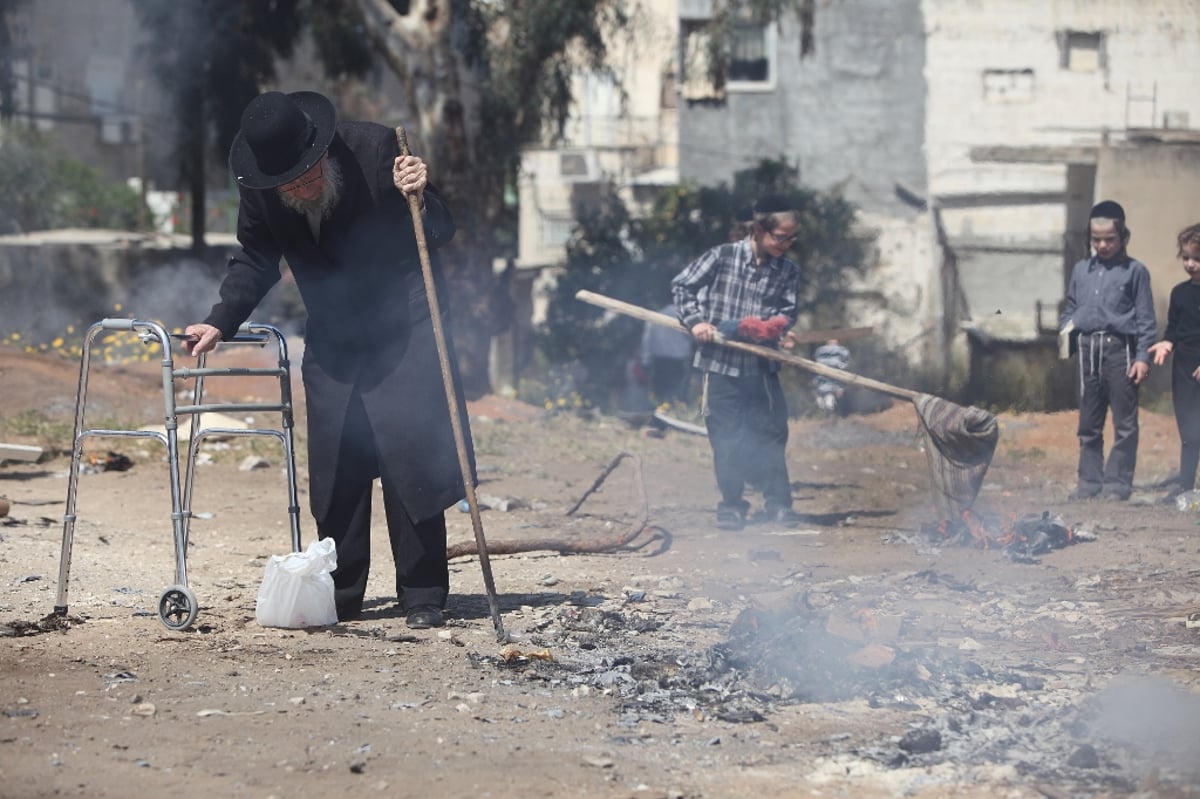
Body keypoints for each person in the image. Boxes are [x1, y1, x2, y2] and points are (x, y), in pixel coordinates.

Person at [183, 90, 472, 629]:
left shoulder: (376, 148)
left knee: (408, 457)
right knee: (337, 465)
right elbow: (255, 258)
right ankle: (340, 595)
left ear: (322, 152)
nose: (301, 186)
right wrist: (221, 318)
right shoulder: (264, 187)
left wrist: (420, 193)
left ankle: (423, 594)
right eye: (288, 182)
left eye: (308, 174)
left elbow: (439, 228)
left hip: (403, 326)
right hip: (335, 336)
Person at [671, 194, 803, 531]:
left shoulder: (787, 270)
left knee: (771, 435)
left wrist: (775, 326)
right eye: (780, 237)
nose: (786, 244)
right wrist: (696, 322)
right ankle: (731, 504)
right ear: (759, 230)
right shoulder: (721, 257)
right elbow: (682, 286)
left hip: (761, 370)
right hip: (721, 366)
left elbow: (786, 312)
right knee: (726, 439)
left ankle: (778, 504)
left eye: (792, 238)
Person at [1059, 200, 1156, 502]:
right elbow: (1072, 308)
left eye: (1109, 239)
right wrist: (1066, 331)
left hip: (1120, 351)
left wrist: (1142, 357)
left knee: (1125, 423)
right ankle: (1089, 483)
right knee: (1089, 422)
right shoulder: (1080, 270)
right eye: (1096, 239)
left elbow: (1146, 319)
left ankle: (1117, 485)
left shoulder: (1136, 271)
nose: (1102, 245)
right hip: (1088, 350)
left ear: (1123, 236)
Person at [1148, 223, 1200, 503]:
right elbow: (1174, 327)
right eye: (1186, 257)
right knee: (1189, 429)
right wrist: (1167, 342)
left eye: (1197, 258)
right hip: (1184, 368)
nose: (1190, 264)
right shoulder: (1179, 293)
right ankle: (1186, 487)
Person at [640, 301, 694, 404]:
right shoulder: (685, 318)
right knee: (678, 396)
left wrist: (645, 361)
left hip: (660, 361)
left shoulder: (656, 315)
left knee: (661, 396)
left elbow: (647, 339)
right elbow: (693, 337)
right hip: (679, 361)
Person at [813, 338, 850, 415]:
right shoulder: (842, 351)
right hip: (826, 382)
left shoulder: (820, 351)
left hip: (829, 383)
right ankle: (828, 416)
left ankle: (829, 417)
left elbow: (844, 369)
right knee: (826, 404)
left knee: (827, 403)